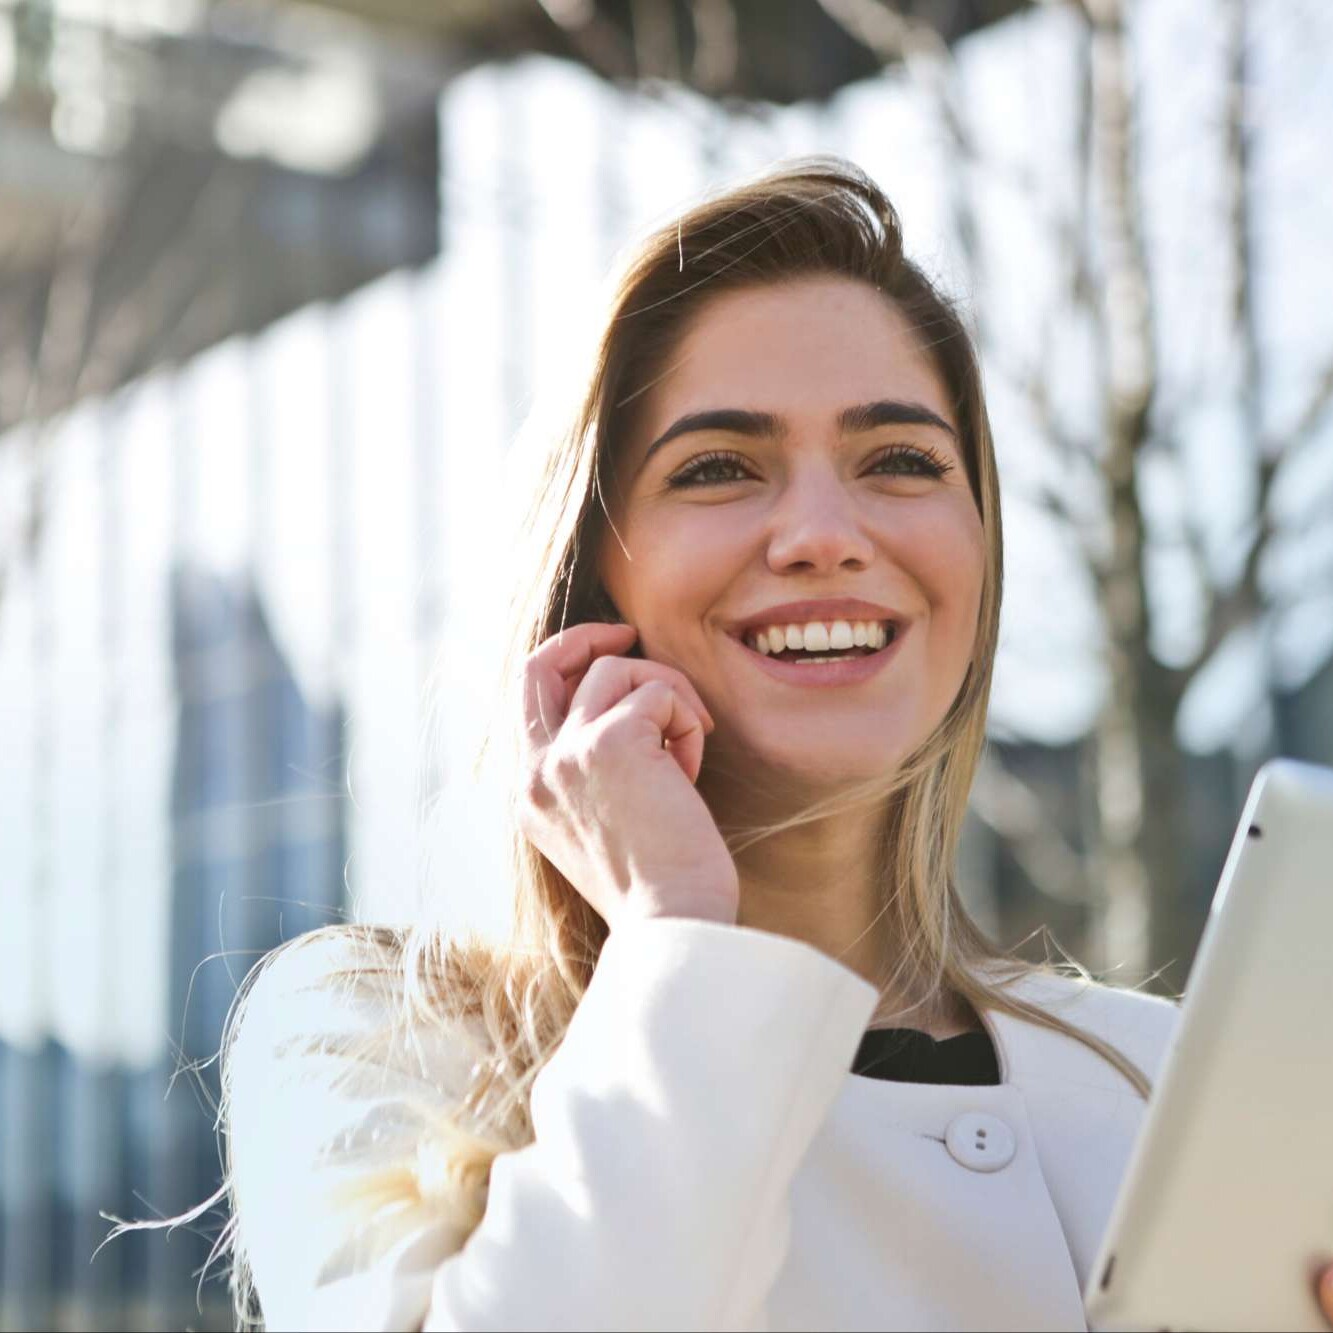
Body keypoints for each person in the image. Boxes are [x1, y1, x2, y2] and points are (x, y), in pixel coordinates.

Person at [198, 158, 1333, 1331]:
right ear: (588, 573)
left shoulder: (1163, 1082)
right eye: (719, 467)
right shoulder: (378, 1045)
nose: (823, 535)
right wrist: (679, 930)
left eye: (899, 459)